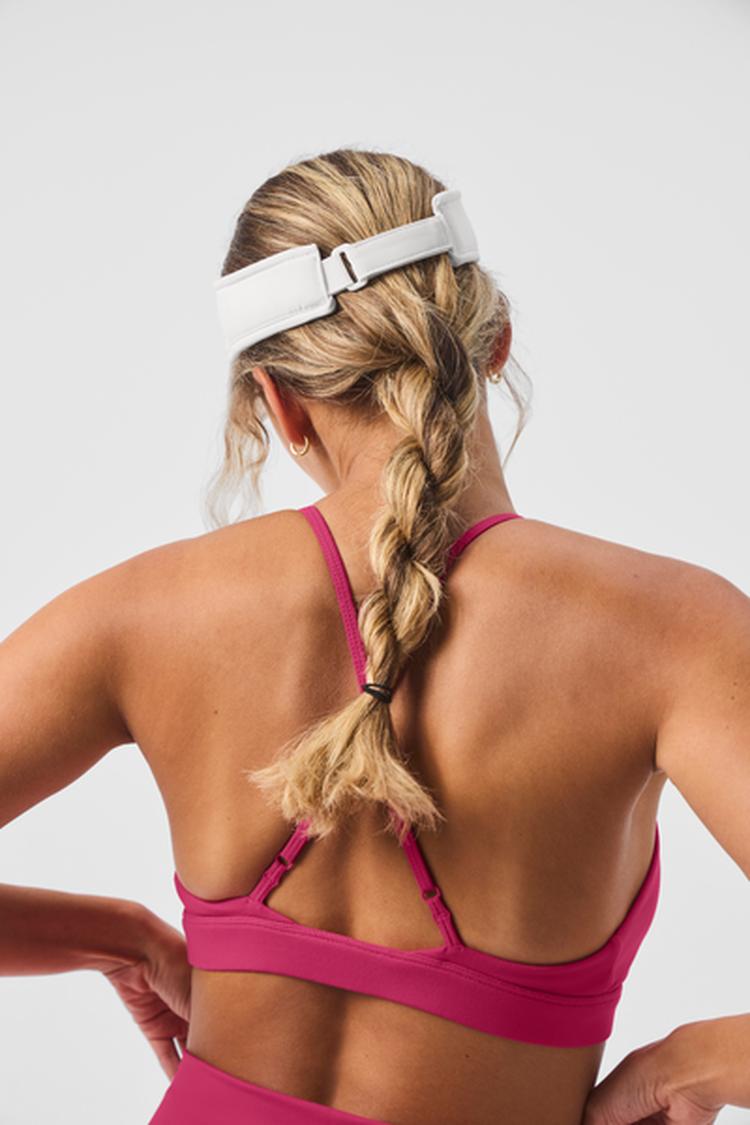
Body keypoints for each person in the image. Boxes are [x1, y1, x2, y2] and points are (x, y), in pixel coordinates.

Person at [1, 147, 748, 1125]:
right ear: (493, 344)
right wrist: (692, 1065)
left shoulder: (137, 615)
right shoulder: (671, 631)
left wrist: (117, 937)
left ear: (276, 403)